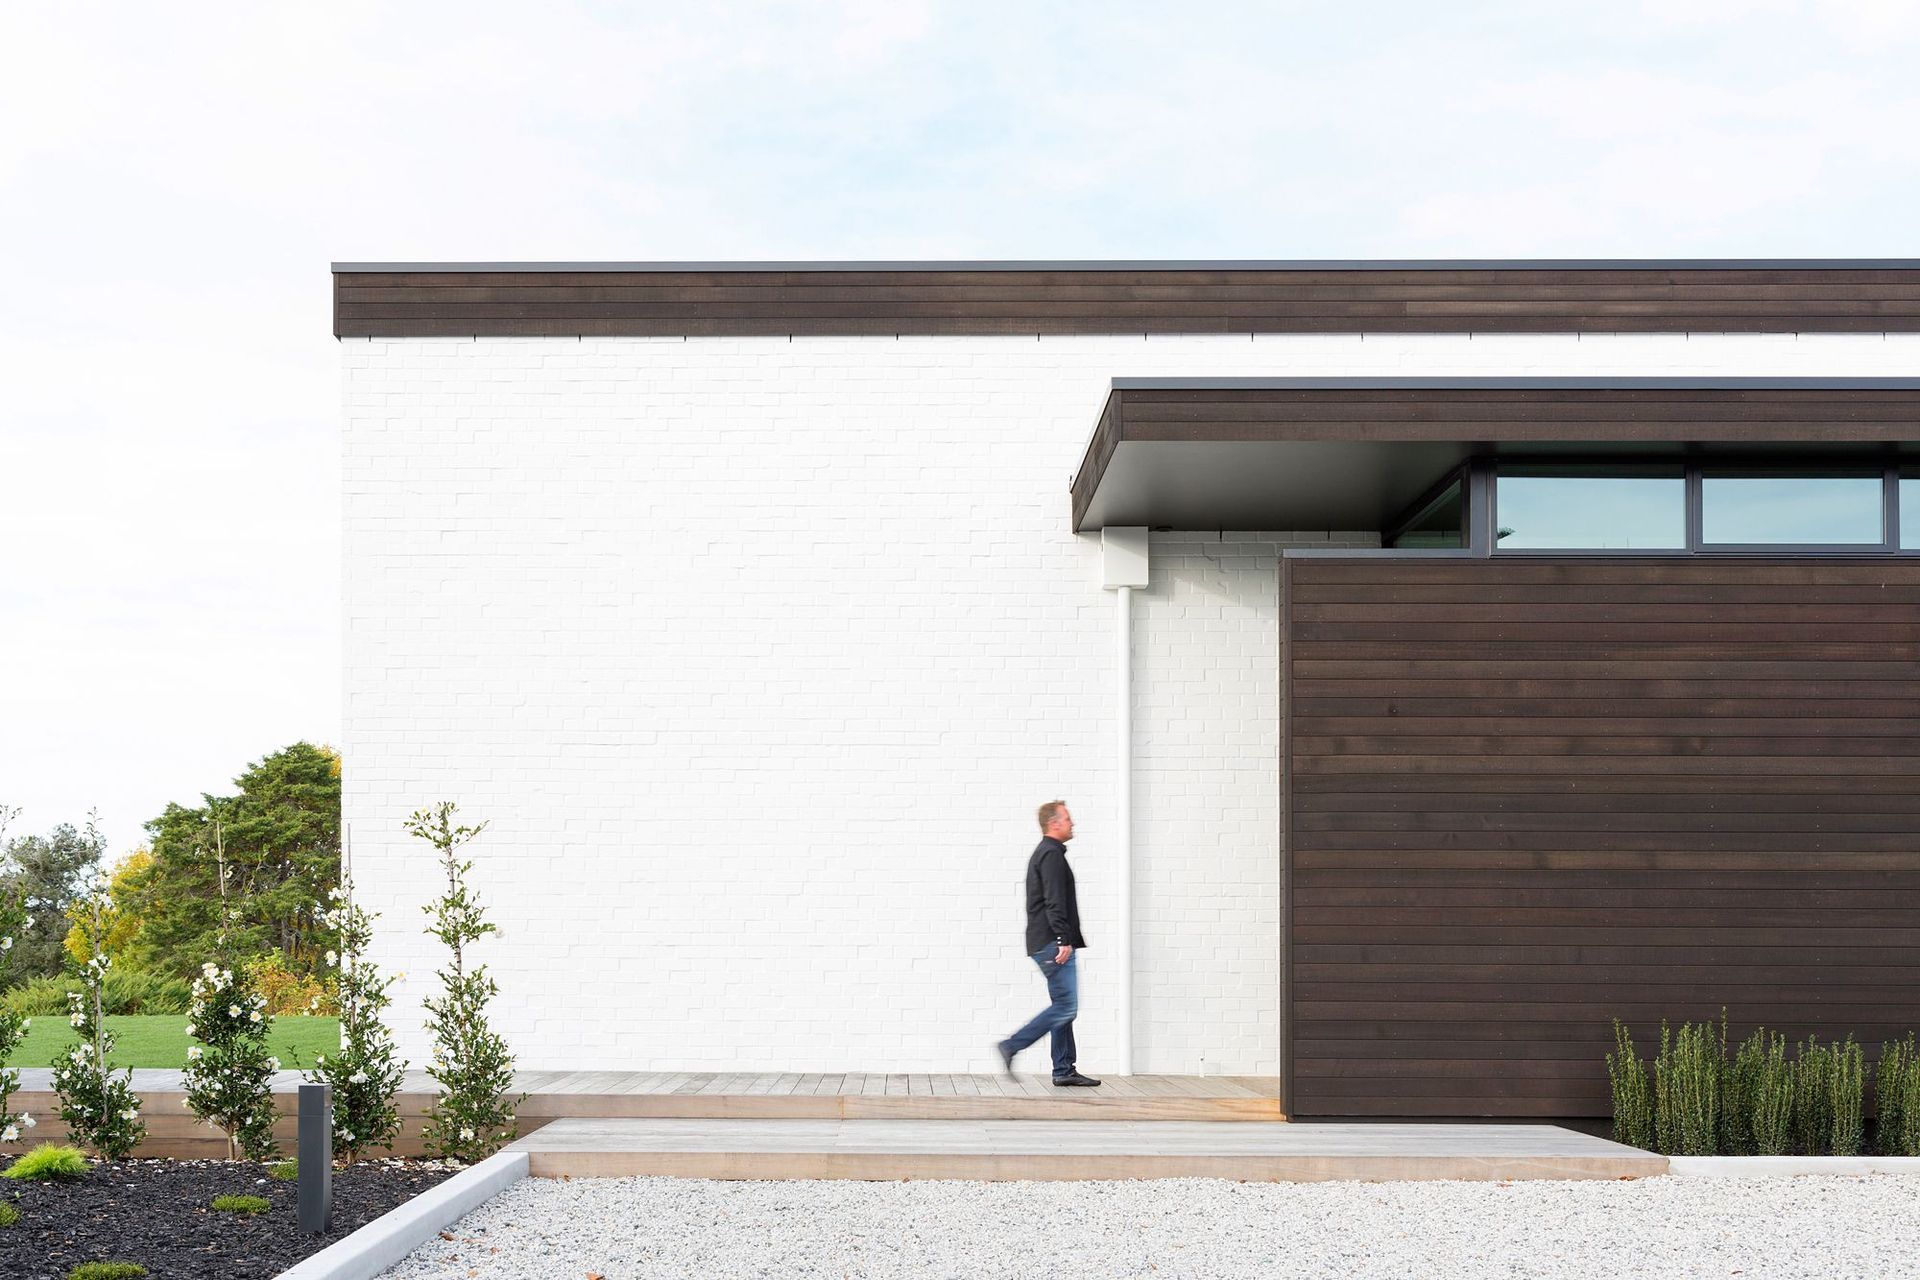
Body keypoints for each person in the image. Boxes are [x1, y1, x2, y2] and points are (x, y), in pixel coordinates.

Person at [995, 800, 1101, 1086]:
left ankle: (1064, 1069)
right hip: (1053, 942)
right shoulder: (1051, 855)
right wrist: (1063, 940)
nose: (1072, 823)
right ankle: (1012, 1045)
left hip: (1048, 941)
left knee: (1062, 1005)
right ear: (1054, 823)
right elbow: (1054, 902)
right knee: (1066, 1007)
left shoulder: (1048, 853)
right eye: (1068, 818)